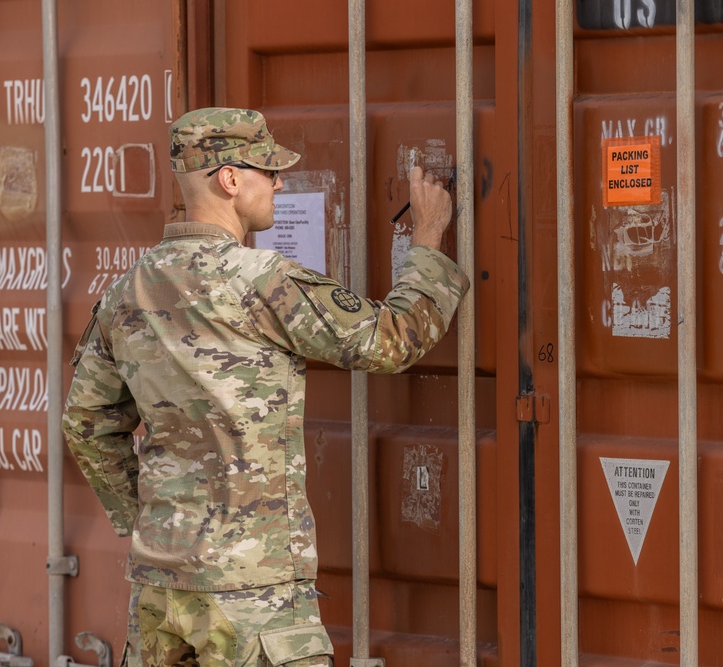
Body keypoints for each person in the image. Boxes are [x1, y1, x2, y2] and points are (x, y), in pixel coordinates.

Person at [62, 107, 469, 666]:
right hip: (253, 598)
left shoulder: (126, 291)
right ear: (230, 180)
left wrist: (150, 521)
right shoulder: (262, 282)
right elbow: (391, 339)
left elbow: (86, 424)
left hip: (160, 591)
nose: (279, 182)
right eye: (268, 170)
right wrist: (429, 232)